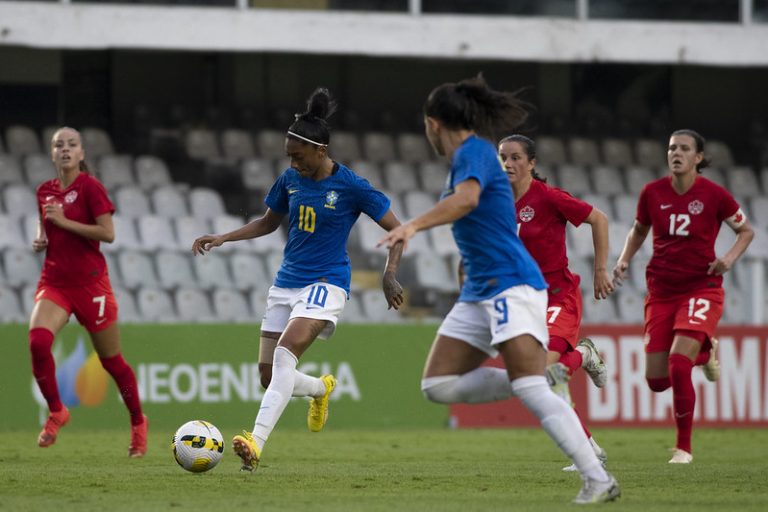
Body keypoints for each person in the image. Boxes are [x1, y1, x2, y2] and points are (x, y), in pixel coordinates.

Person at [378, 75, 620, 504]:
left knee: (529, 388)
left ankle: (597, 477)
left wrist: (412, 225)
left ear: (433, 124)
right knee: (437, 385)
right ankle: (538, 374)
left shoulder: (473, 154)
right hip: (479, 290)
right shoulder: (469, 160)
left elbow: (468, 201)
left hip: (512, 285)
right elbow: (484, 224)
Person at [191, 88, 404, 472]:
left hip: (328, 283)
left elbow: (397, 230)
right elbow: (269, 222)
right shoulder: (290, 179)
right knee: (269, 375)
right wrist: (223, 236)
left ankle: (254, 443)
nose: (293, 162)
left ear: (321, 151)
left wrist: (389, 274)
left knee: (286, 353)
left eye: (298, 155)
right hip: (286, 283)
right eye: (289, 155)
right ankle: (320, 389)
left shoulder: (352, 186)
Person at [612, 129, 754, 464]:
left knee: (678, 364)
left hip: (701, 286)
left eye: (684, 148)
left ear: (699, 157)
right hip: (661, 291)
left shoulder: (715, 195)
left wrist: (728, 259)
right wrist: (623, 259)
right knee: (657, 381)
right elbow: (639, 229)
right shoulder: (652, 192)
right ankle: (706, 352)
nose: (676, 153)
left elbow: (746, 231)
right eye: (672, 148)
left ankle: (683, 448)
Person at [30, 127, 147, 456]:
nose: (65, 149)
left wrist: (64, 222)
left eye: (71, 144)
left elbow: (107, 234)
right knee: (38, 341)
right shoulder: (44, 191)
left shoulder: (91, 188)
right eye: (58, 145)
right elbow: (46, 224)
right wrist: (41, 237)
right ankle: (57, 411)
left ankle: (138, 421)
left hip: (91, 284)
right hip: (55, 282)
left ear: (81, 153)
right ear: (52, 153)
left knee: (112, 362)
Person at [498, 134, 612, 472]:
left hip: (559, 296)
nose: (508, 164)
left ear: (532, 163)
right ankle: (588, 449)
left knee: (543, 370)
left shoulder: (547, 197)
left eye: (516, 157)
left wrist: (600, 269)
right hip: (525, 302)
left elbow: (599, 219)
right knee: (538, 379)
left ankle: (585, 354)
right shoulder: (498, 202)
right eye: (503, 157)